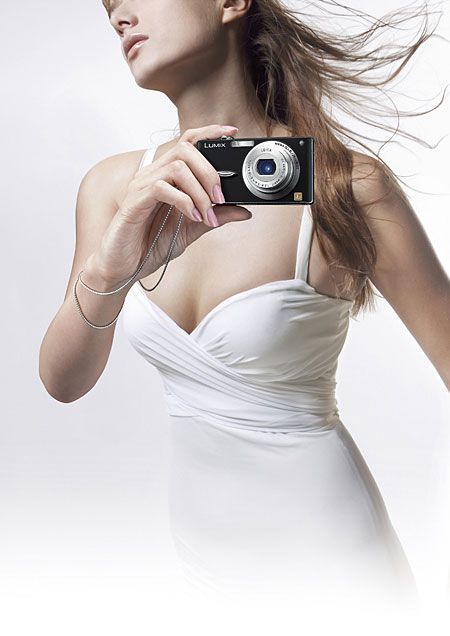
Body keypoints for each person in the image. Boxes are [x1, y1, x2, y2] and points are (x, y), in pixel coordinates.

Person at [39, 0, 449, 615]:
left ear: (231, 3)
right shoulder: (115, 190)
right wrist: (109, 271)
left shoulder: (343, 187)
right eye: (109, 5)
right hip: (203, 572)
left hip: (335, 567)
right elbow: (62, 382)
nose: (118, 15)